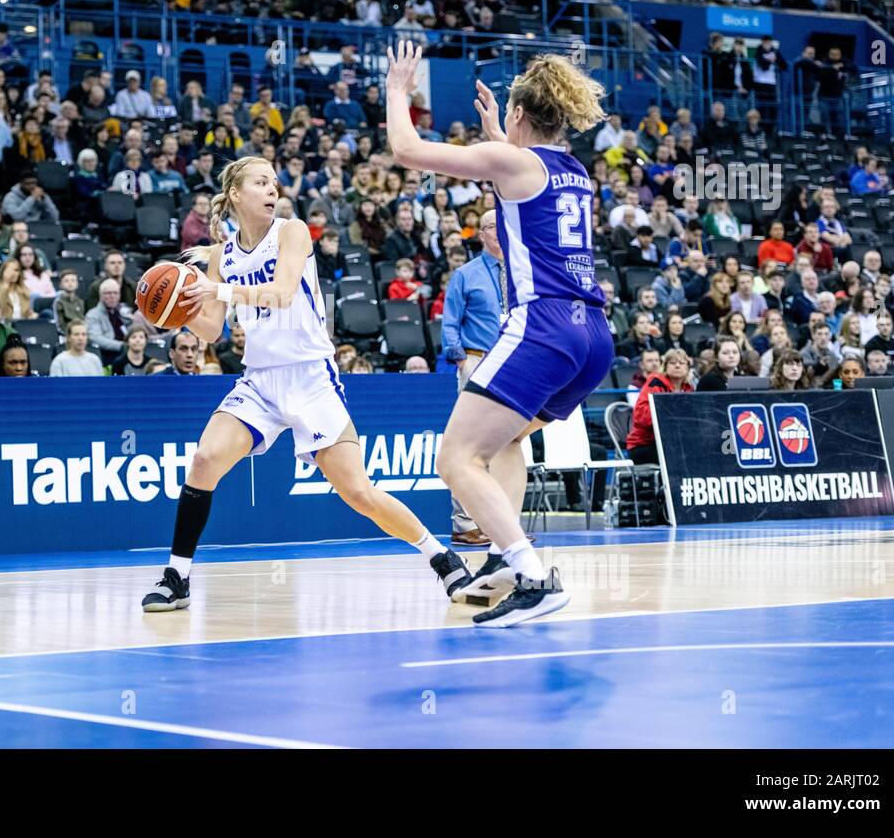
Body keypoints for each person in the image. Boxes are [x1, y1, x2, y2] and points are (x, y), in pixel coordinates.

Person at [139, 154, 475, 614]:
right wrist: (175, 311)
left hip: (311, 377)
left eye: (274, 181)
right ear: (236, 194)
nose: (272, 188)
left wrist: (216, 290)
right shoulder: (222, 255)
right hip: (259, 381)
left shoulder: (292, 231)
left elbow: (280, 294)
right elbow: (213, 331)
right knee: (203, 461)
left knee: (358, 492)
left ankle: (442, 558)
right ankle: (176, 577)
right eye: (261, 182)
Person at [386, 42, 616, 626]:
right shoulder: (575, 170)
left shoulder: (513, 162)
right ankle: (506, 560)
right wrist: (498, 134)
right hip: (592, 334)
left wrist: (397, 91)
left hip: (542, 326)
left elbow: (405, 149)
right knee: (506, 442)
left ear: (518, 115)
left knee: (456, 458)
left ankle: (535, 576)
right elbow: (522, 188)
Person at [439, 208, 508, 545]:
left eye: (504, 226)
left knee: (506, 444)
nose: (500, 232)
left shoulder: (522, 273)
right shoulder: (465, 274)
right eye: (494, 227)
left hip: (513, 364)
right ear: (481, 234)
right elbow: (449, 322)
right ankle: (465, 524)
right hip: (479, 362)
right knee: (470, 445)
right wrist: (462, 360)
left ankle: (502, 526)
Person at [625, 349, 692, 463]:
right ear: (665, 366)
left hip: (674, 442)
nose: (677, 366)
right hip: (644, 445)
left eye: (681, 363)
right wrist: (668, 418)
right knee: (679, 452)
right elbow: (641, 415)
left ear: (688, 368)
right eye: (672, 363)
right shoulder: (655, 383)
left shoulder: (688, 389)